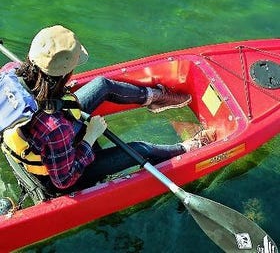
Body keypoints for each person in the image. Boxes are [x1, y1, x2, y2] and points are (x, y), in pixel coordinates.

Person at [1, 25, 216, 194]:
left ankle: (156, 98)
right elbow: (65, 180)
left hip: (47, 131)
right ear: (65, 74)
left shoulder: (9, 72)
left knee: (102, 85)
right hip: (58, 175)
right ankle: (187, 148)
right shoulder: (55, 128)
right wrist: (90, 138)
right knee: (140, 150)